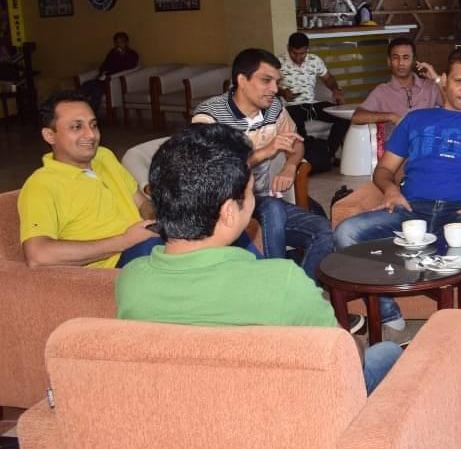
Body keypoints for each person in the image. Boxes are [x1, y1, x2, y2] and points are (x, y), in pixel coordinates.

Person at [115, 124, 401, 394]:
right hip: (288, 407)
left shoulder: (132, 279)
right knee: (388, 353)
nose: (253, 201)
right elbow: (346, 357)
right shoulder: (281, 281)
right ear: (229, 212)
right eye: (251, 192)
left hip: (191, 406)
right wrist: (356, 344)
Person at [334, 49, 461, 366]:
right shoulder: (416, 120)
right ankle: (389, 316)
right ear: (445, 80)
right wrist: (390, 189)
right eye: (459, 81)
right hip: (411, 211)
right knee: (347, 232)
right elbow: (383, 170)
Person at [192, 49, 338, 299]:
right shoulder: (209, 115)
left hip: (261, 198)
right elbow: (212, 172)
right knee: (272, 206)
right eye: (266, 80)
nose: (274, 88)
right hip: (223, 205)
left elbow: (296, 142)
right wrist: (264, 152)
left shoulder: (274, 108)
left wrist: (290, 165)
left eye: (276, 82)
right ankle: (276, 288)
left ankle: (298, 295)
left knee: (324, 230)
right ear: (242, 80)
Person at [19, 90, 157, 269]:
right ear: (49, 135)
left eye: (93, 125)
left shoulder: (104, 156)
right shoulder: (41, 185)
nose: (91, 134)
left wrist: (158, 220)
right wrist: (124, 241)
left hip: (147, 245)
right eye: (77, 127)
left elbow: (141, 203)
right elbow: (38, 255)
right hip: (114, 267)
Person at [351, 37, 442, 140]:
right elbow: (356, 117)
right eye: (396, 58)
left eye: (406, 57)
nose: (401, 63)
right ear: (389, 61)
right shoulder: (381, 91)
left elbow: (455, 106)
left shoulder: (430, 87)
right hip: (395, 149)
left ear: (414, 60)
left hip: (426, 147)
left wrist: (437, 78)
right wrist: (391, 117)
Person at [278, 32, 350, 160]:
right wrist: (282, 92)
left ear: (308, 49)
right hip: (291, 107)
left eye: (302, 53)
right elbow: (270, 86)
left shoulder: (314, 60)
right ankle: (305, 159)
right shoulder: (278, 62)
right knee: (297, 126)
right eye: (294, 53)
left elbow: (328, 78)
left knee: (343, 118)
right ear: (288, 48)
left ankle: (328, 154)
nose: (298, 58)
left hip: (312, 104)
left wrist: (335, 90)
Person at [79, 31, 139, 112]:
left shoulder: (132, 54)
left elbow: (128, 67)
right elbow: (104, 65)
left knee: (96, 90)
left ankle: (91, 114)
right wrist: (102, 72)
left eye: (121, 42)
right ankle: (77, 109)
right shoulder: (112, 53)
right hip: (103, 79)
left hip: (114, 81)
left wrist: (121, 56)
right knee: (87, 85)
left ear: (126, 43)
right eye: (117, 43)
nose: (119, 45)